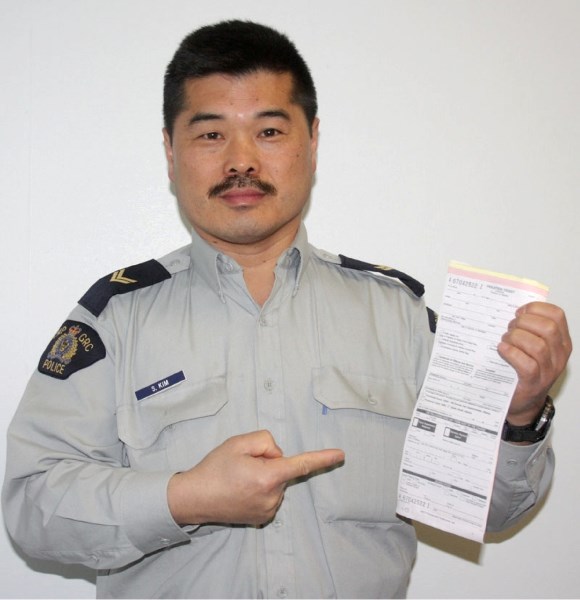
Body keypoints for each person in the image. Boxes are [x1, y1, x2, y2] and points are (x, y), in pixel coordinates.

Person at [2, 20, 572, 599]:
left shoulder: (397, 316)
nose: (241, 161)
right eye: (210, 135)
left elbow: (488, 511)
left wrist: (520, 413)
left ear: (313, 141)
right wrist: (185, 497)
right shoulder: (115, 318)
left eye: (269, 131)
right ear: (171, 152)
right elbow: (30, 507)